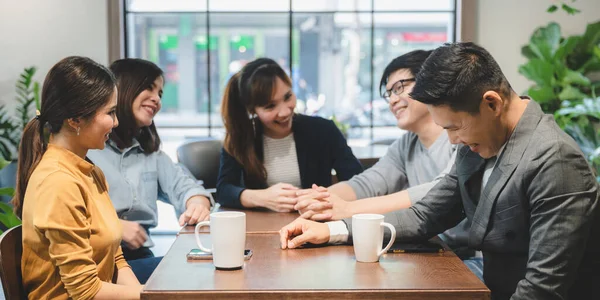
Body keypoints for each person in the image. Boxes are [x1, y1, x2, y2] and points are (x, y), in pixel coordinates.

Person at [280, 42, 600, 300]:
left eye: (455, 127)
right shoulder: (478, 143)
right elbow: (424, 216)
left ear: (492, 103)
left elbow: (543, 290)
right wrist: (335, 230)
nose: (452, 140)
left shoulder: (555, 163)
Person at [291, 50, 481, 278]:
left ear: (429, 81)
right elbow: (369, 182)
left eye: (399, 87)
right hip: (422, 251)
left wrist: (347, 209)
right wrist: (321, 199)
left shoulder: (464, 137)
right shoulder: (406, 144)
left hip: (464, 258)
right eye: (388, 93)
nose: (392, 100)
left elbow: (435, 194)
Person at [15, 56, 142, 299]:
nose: (115, 122)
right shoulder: (58, 182)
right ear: (74, 120)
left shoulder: (89, 171)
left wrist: (146, 294)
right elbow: (85, 291)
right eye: (110, 112)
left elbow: (115, 259)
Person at [88, 58, 213, 282]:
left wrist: (197, 203)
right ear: (121, 89)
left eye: (161, 94)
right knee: (194, 272)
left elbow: (187, 187)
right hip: (95, 261)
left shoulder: (151, 154)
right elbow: (67, 218)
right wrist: (114, 227)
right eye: (149, 87)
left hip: (137, 258)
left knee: (198, 268)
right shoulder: (87, 149)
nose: (156, 99)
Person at [217, 57, 363, 211]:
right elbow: (223, 190)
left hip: (318, 225)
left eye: (288, 97)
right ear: (253, 110)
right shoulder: (241, 138)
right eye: (270, 106)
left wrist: (324, 196)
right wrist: (262, 198)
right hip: (261, 227)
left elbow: (358, 181)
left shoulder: (323, 130)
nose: (285, 111)